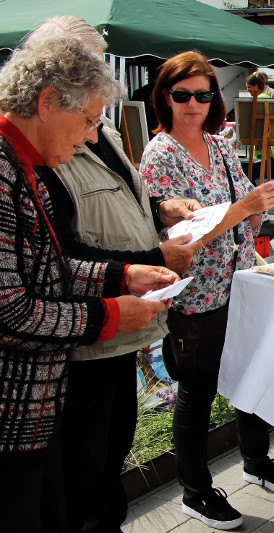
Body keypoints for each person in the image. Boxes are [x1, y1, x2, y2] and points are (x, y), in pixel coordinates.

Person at [22, 16, 202, 533]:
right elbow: (54, 257)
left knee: (111, 451)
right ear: (51, 86)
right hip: (82, 335)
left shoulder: (96, 125)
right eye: (88, 65)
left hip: (115, 324)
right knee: (81, 466)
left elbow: (126, 200)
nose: (99, 75)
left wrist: (163, 211)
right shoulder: (39, 146)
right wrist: (130, 274)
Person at [140, 51, 274, 530]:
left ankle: (254, 459)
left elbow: (245, 202)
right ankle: (195, 490)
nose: (193, 104)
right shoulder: (159, 154)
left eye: (203, 95)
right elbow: (177, 244)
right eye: (182, 95)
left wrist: (264, 201)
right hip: (197, 292)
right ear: (164, 97)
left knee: (251, 375)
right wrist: (240, 208)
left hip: (243, 280)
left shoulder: (220, 144)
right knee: (198, 391)